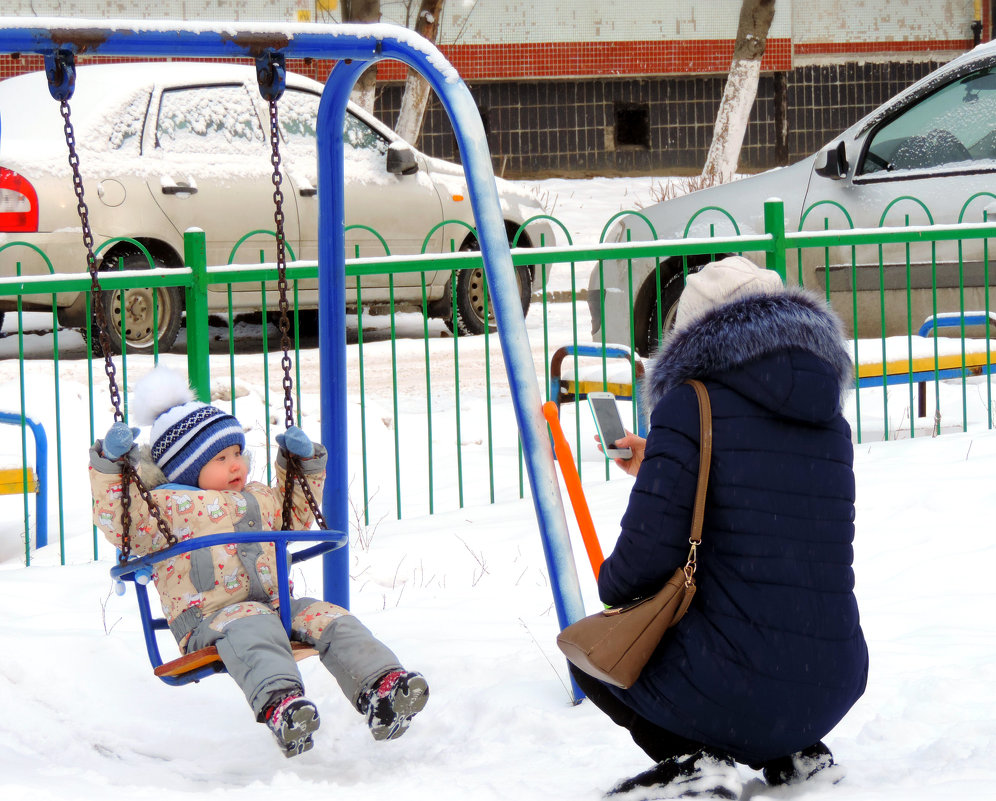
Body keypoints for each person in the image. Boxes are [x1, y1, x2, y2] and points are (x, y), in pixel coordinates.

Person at [580, 256, 868, 798]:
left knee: (592, 651)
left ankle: (696, 765)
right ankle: (798, 753)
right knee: (767, 616)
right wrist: (660, 461)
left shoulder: (692, 403)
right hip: (833, 680)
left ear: (693, 334)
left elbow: (639, 564)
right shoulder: (829, 418)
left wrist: (611, 588)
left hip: (737, 685)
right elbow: (769, 494)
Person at [90, 366, 428, 757]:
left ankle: (383, 689)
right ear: (188, 467)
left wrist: (299, 464)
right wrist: (110, 467)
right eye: (221, 457)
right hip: (210, 620)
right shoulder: (165, 507)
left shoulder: (258, 496)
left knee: (333, 617)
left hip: (275, 607)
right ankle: (282, 706)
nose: (237, 464)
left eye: (238, 453)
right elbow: (119, 522)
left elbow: (295, 515)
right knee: (252, 627)